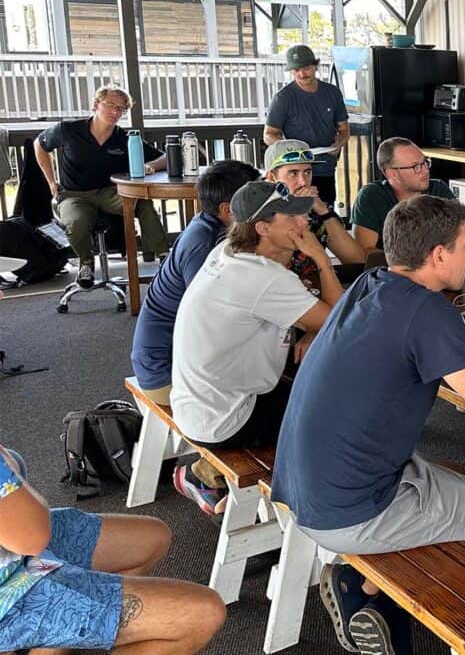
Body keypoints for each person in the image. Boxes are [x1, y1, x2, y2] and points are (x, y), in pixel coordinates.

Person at [272, 195, 465, 654]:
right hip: (352, 510)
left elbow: (403, 356)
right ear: (438, 255)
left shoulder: (369, 284)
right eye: (464, 245)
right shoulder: (429, 312)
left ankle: (372, 578)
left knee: (454, 474)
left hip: (301, 484)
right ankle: (375, 591)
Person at [169, 180, 339, 514]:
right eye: (291, 219)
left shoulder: (227, 251)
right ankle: (297, 511)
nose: (303, 224)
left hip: (198, 403)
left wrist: (310, 329)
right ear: (262, 228)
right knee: (339, 409)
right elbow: (338, 321)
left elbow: (313, 319)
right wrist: (321, 258)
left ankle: (203, 474)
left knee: (311, 377)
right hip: (228, 418)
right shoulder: (264, 278)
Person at [0, 445, 225, 653]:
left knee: (152, 538)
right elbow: (32, 539)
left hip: (16, 556)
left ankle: (57, 639)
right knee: (203, 614)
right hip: (11, 592)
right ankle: (55, 628)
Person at [131, 160, 260, 406]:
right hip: (164, 373)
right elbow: (207, 315)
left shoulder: (209, 226)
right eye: (253, 197)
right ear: (227, 210)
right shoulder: (205, 242)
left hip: (166, 361)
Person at [33, 86, 170, 288]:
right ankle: (86, 264)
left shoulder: (124, 138)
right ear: (95, 104)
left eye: (121, 109)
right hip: (74, 194)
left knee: (143, 203)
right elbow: (40, 144)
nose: (116, 112)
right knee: (76, 221)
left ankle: (165, 257)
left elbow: (165, 157)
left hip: (110, 192)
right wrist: (51, 182)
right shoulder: (69, 130)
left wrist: (150, 166)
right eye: (111, 106)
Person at [263, 44, 349, 206]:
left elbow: (344, 129)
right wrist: (292, 149)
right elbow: (269, 134)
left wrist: (339, 143)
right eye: (296, 70)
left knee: (325, 211)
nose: (302, 74)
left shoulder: (332, 92)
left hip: (325, 167)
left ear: (316, 66)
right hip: (294, 173)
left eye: (306, 68)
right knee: (297, 214)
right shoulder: (283, 97)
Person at [263, 139, 366, 273]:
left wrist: (323, 210)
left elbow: (357, 261)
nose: (302, 182)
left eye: (307, 172)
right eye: (293, 173)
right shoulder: (258, 211)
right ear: (272, 177)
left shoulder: (315, 210)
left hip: (314, 287)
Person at [350, 137, 455, 251]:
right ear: (392, 173)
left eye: (425, 162)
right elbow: (366, 252)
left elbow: (457, 240)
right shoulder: (371, 196)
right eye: (416, 167)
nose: (426, 170)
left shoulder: (439, 191)